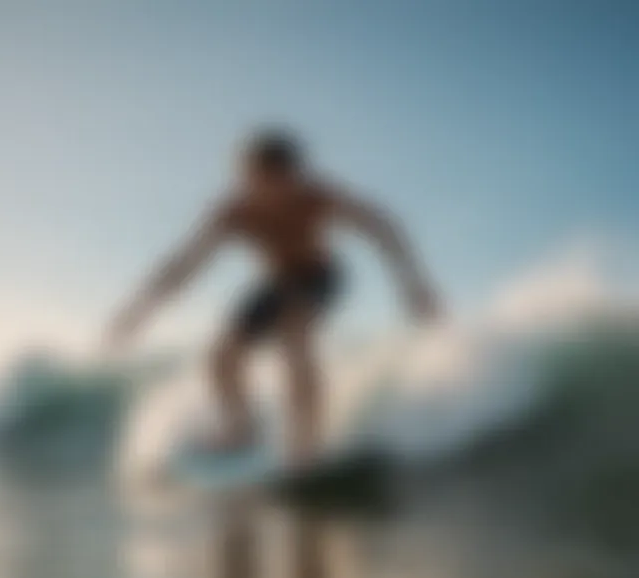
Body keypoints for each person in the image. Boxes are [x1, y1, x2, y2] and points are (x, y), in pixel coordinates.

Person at [106, 128, 441, 465]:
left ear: (293, 175)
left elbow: (383, 226)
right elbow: (183, 264)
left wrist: (414, 283)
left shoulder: (317, 197)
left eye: (280, 181)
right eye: (254, 180)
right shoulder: (233, 212)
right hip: (275, 283)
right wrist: (137, 311)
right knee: (221, 357)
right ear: (247, 177)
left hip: (319, 275)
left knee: (294, 338)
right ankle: (241, 429)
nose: (269, 192)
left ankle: (306, 444)